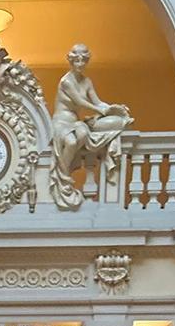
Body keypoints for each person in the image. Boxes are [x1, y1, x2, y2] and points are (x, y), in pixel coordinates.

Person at [50, 44, 132, 210]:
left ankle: (64, 173)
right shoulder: (66, 81)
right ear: (71, 61)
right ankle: (62, 177)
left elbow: (97, 101)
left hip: (74, 121)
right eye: (77, 60)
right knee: (72, 143)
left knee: (83, 134)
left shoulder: (87, 81)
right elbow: (79, 101)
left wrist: (113, 109)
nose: (80, 63)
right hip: (61, 122)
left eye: (83, 60)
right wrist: (99, 110)